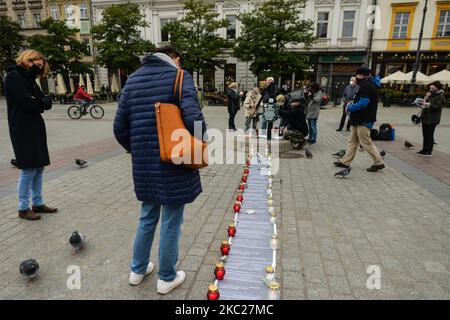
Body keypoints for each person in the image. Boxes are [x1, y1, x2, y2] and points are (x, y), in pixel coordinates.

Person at [113, 45, 206, 294]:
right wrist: (198, 145)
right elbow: (194, 116)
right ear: (175, 58)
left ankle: (138, 269)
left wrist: (138, 151)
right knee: (172, 220)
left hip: (144, 163)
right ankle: (166, 277)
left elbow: (119, 127)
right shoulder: (179, 75)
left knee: (147, 215)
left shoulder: (131, 80)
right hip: (175, 161)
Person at [4, 49, 58, 221]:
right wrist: (38, 102)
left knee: (39, 167)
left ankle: (38, 203)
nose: (40, 66)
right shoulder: (13, 77)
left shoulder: (31, 79)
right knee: (28, 169)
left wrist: (39, 102)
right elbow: (27, 103)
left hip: (35, 126)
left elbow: (46, 102)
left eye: (42, 63)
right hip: (21, 127)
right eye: (37, 62)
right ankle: (23, 208)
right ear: (27, 60)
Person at [334, 67, 384, 172]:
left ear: (361, 75)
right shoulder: (365, 85)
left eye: (356, 76)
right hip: (358, 119)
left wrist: (350, 107)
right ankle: (345, 162)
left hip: (364, 119)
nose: (355, 78)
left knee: (366, 142)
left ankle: (378, 162)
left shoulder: (367, 86)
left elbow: (363, 103)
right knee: (352, 141)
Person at [416, 81, 445, 157]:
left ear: (437, 88)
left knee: (429, 135)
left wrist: (429, 105)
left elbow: (438, 107)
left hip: (433, 119)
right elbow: (423, 105)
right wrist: (425, 99)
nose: (431, 89)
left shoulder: (440, 97)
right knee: (425, 134)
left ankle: (429, 151)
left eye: (433, 88)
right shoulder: (430, 95)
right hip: (425, 117)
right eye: (430, 88)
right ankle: (424, 149)